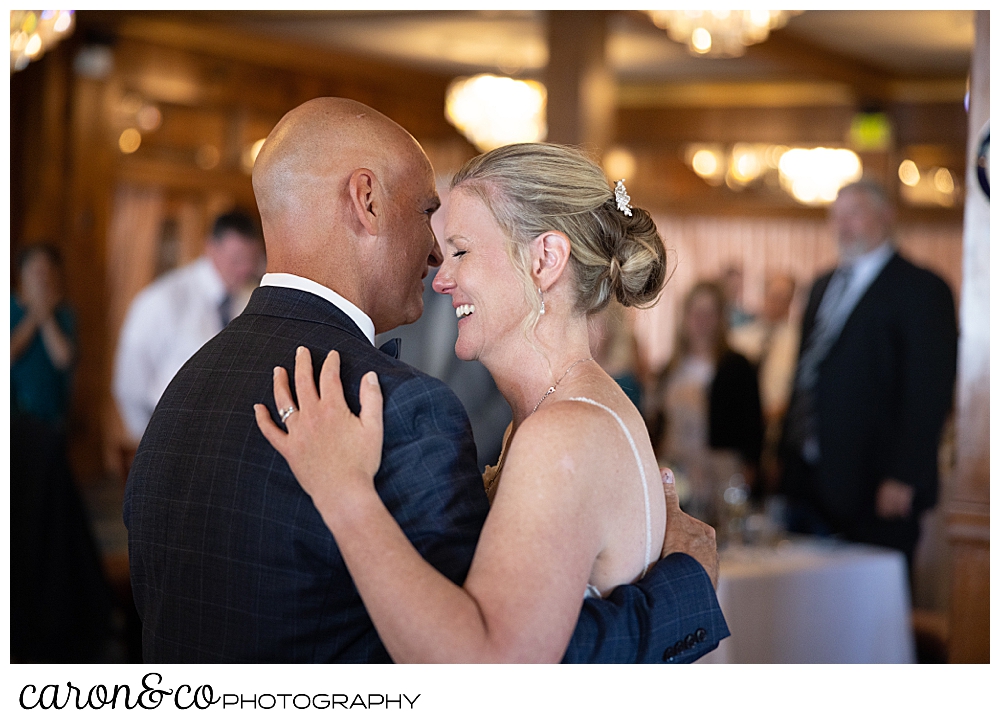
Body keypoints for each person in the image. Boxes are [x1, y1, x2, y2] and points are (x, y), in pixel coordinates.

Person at [125, 97, 727, 664]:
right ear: (365, 200)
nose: (440, 270)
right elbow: (503, 664)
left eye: (460, 249)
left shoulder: (187, 389)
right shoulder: (399, 406)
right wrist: (685, 590)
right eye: (429, 221)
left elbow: (491, 659)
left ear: (545, 260)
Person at [780, 180, 958, 567]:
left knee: (872, 613)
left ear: (886, 216)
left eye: (855, 214)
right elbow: (808, 374)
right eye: (836, 216)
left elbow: (929, 391)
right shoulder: (822, 285)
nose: (843, 225)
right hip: (809, 479)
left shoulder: (922, 289)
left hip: (877, 486)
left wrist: (904, 475)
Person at [11, 243, 115, 661]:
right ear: (21, 274)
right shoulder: (10, 310)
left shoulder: (65, 314)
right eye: (34, 271)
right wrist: (33, 314)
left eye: (48, 272)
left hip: (52, 431)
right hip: (17, 432)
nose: (42, 278)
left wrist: (47, 314)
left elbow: (63, 356)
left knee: (58, 515)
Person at [112, 209, 265, 443]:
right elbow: (130, 384)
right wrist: (147, 442)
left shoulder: (253, 298)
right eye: (236, 260)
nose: (244, 269)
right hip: (168, 431)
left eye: (251, 261)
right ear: (210, 248)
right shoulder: (164, 299)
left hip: (228, 433)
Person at [647, 281, 764, 523]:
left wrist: (749, 472)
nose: (701, 320)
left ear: (720, 318)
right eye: (696, 312)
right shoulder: (671, 367)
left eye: (709, 313)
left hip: (721, 471)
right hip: (678, 471)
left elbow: (753, 423)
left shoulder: (737, 365)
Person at [729, 272, 799, 494]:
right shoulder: (739, 338)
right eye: (773, 295)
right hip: (742, 434)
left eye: (784, 297)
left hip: (778, 435)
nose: (777, 302)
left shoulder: (799, 341)